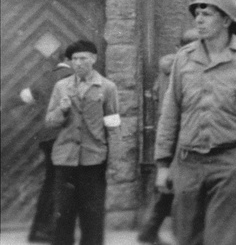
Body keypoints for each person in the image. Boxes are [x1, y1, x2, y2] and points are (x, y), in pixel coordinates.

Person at [155, 0, 236, 245]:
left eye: (207, 14)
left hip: (230, 161)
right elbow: (171, 112)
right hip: (189, 161)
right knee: (187, 237)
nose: (199, 19)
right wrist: (163, 164)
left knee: (220, 239)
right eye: (197, 14)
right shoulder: (184, 59)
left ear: (226, 20)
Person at [45, 39, 121, 245]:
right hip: (65, 159)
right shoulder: (61, 86)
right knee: (63, 216)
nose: (78, 63)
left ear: (94, 59)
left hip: (93, 160)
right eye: (75, 59)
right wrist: (62, 110)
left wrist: (115, 162)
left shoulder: (107, 87)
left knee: (92, 217)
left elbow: (113, 127)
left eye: (83, 58)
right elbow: (50, 122)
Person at [137, 29, 199, 245]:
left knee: (169, 187)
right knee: (174, 186)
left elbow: (155, 94)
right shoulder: (186, 67)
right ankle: (156, 230)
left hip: (168, 129)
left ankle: (150, 230)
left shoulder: (168, 68)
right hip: (179, 132)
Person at [19, 47, 72, 243]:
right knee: (63, 183)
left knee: (51, 181)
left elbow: (26, 97)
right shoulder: (72, 77)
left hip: (47, 137)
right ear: (69, 58)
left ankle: (39, 231)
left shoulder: (46, 76)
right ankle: (53, 230)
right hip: (65, 136)